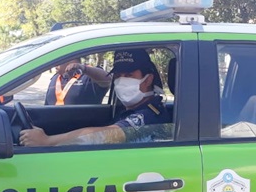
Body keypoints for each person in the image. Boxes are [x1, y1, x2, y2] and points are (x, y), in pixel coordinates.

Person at [20, 49, 170, 146]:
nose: (121, 80)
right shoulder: (129, 109)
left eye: (129, 75)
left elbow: (107, 135)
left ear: (148, 80)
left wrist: (47, 141)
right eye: (118, 75)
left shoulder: (150, 115)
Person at [44, 58, 110, 105]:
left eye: (59, 60)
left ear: (70, 59)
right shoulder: (55, 78)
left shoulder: (89, 76)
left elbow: (107, 80)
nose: (55, 64)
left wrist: (84, 69)